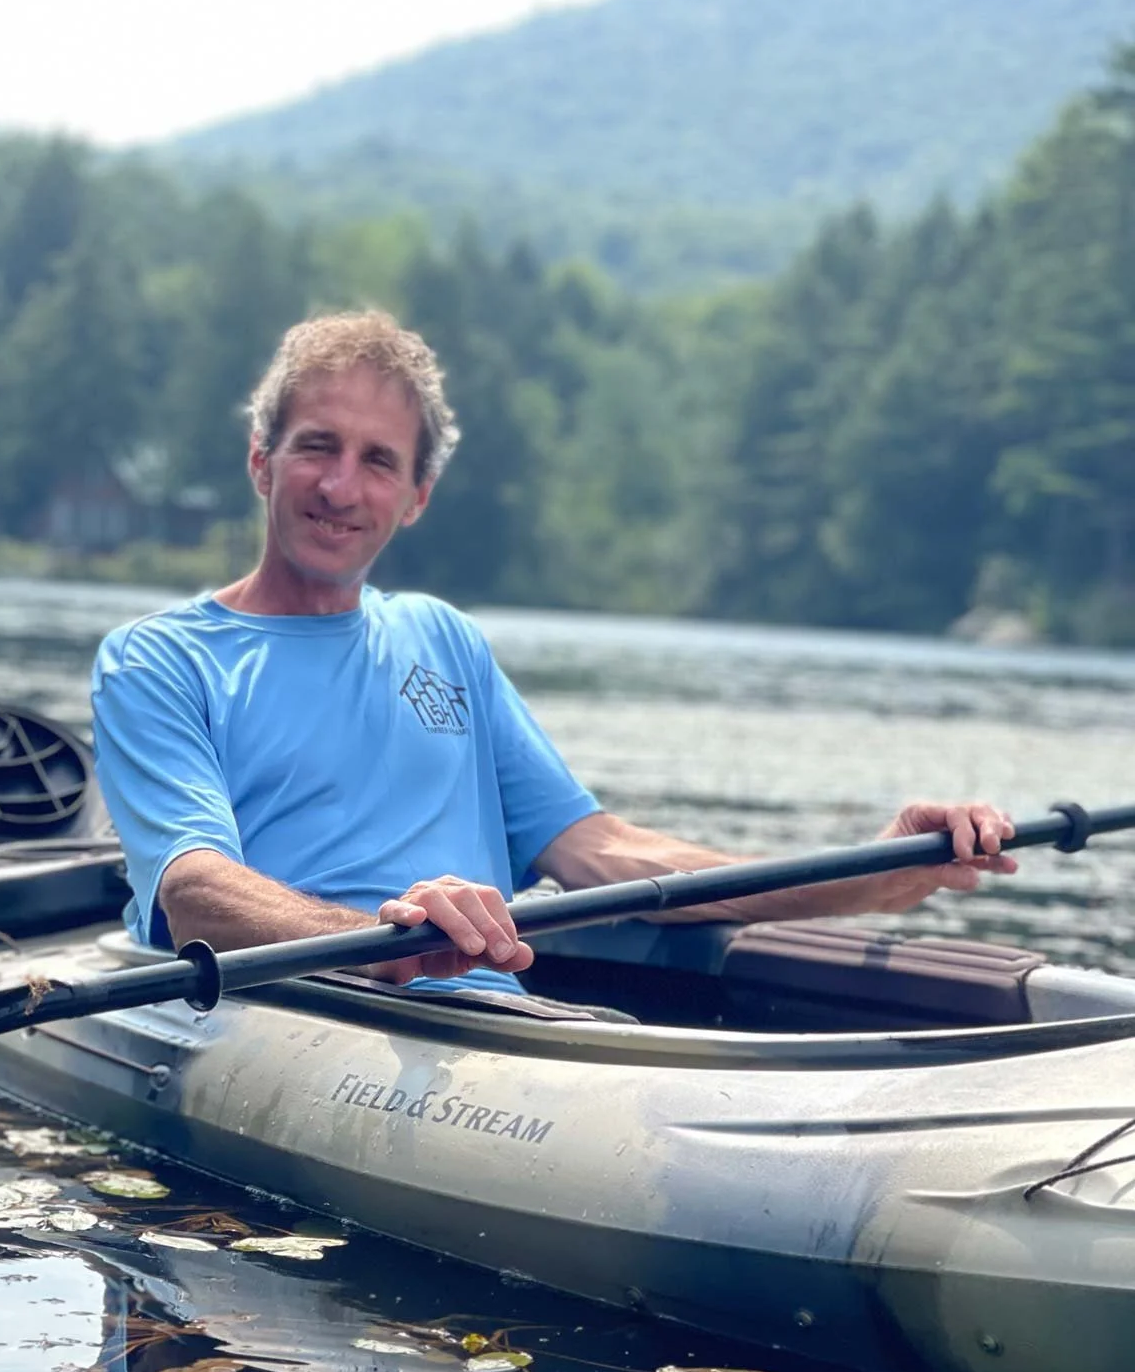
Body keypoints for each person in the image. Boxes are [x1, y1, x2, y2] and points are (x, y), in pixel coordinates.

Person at [91, 310, 1014, 993]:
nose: (341, 485)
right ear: (261, 462)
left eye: (378, 461)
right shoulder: (159, 660)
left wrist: (870, 873)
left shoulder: (442, 639)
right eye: (315, 447)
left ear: (416, 496)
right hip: (305, 1017)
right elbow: (194, 891)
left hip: (498, 1039)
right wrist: (388, 938)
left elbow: (603, 855)